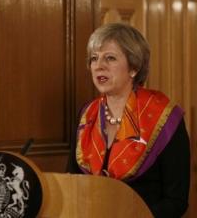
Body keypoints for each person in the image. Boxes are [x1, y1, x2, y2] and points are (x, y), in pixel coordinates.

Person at [67, 23, 190, 217]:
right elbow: (71, 184)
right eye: (94, 58)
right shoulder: (86, 115)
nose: (99, 66)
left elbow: (176, 201)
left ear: (133, 67)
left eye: (110, 58)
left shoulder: (165, 119)